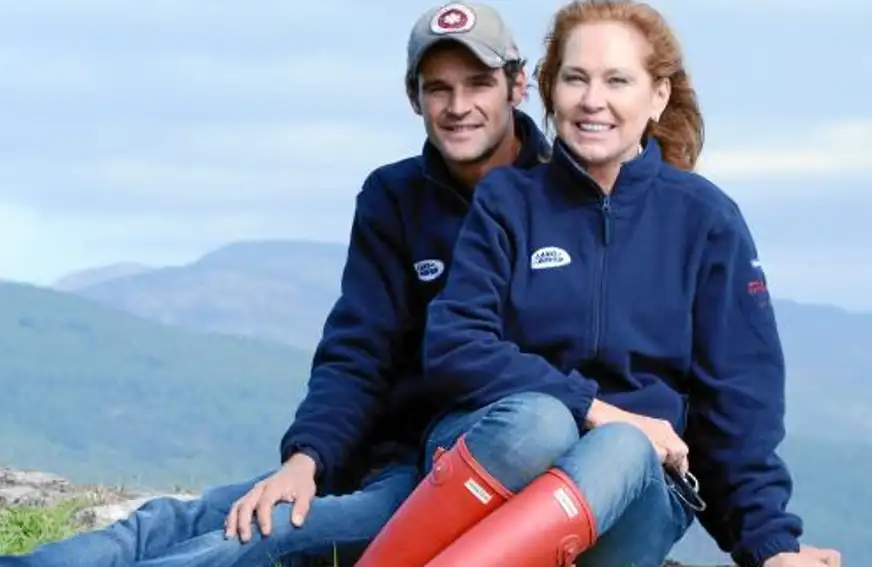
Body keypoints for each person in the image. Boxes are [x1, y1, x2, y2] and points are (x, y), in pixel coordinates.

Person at [0, 3, 553, 567]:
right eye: (439, 88)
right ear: (415, 97)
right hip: (373, 455)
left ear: (515, 86)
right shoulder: (394, 196)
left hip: (450, 471)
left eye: (477, 83)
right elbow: (358, 348)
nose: (458, 105)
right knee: (171, 520)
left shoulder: (559, 200)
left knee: (242, 540)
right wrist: (307, 458)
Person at [353, 1, 844, 567]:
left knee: (625, 449)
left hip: (636, 494)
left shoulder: (706, 220)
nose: (593, 100)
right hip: (499, 459)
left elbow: (739, 407)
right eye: (575, 78)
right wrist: (595, 408)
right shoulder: (507, 202)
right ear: (548, 89)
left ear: (657, 95)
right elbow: (454, 344)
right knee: (543, 421)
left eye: (617, 80)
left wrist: (772, 548)